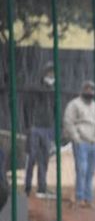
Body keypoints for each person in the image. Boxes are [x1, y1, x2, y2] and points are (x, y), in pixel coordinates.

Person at [63, 80, 95, 208]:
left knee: (91, 171)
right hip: (81, 142)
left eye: (92, 89)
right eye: (87, 89)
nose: (90, 92)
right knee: (82, 170)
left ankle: (88, 198)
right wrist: (76, 137)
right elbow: (68, 122)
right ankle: (79, 197)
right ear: (82, 90)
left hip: (94, 143)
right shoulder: (74, 104)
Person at [24, 61, 55, 199]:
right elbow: (27, 107)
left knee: (44, 159)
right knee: (31, 157)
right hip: (35, 127)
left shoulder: (54, 91)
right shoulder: (36, 89)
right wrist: (29, 124)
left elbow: (55, 111)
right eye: (49, 73)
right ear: (43, 74)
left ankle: (41, 188)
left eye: (53, 74)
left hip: (48, 128)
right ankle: (27, 187)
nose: (51, 76)